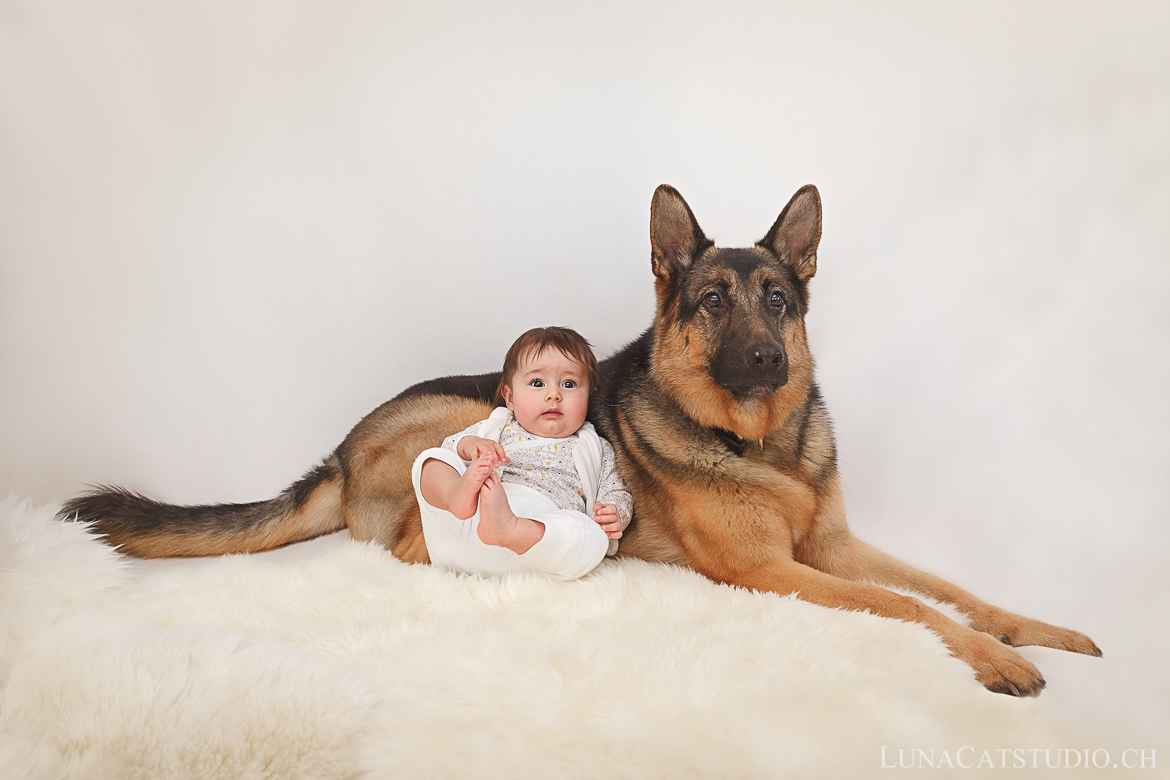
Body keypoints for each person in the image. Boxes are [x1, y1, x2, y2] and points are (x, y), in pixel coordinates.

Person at [411, 327, 632, 580]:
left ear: (589, 395)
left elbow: (616, 491)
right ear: (510, 397)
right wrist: (471, 444)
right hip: (473, 521)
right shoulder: (498, 426)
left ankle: (510, 529)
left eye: (569, 384)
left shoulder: (596, 446)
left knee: (591, 537)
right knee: (430, 460)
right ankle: (455, 496)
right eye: (537, 383)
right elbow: (452, 446)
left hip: (539, 540)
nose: (554, 395)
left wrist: (616, 513)